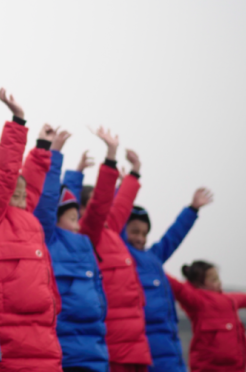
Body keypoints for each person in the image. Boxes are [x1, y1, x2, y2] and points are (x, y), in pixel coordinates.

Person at [0, 89, 62, 371]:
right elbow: (4, 176)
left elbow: (31, 182)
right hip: (6, 352)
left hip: (45, 347)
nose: (22, 199)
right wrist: (18, 122)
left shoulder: (28, 220)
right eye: (15, 194)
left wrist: (43, 146)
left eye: (23, 196)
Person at [32, 129, 114, 372]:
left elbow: (100, 207)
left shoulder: (85, 243)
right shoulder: (48, 240)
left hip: (96, 355)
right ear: (55, 220)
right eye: (71, 218)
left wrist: (111, 156)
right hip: (65, 356)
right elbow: (49, 198)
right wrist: (55, 153)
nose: (79, 224)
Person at [72, 131, 152, 372]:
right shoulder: (89, 235)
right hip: (114, 348)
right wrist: (110, 157)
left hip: (137, 346)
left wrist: (135, 171)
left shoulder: (111, 229)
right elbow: (101, 204)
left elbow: (123, 202)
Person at [123, 189, 214, 372]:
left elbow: (172, 238)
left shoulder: (153, 258)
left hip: (171, 353)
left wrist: (192, 209)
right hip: (145, 356)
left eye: (144, 233)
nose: (140, 238)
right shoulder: (123, 258)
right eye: (134, 232)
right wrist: (122, 191)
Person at [168, 262, 246, 372]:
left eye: (218, 278)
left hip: (236, 366)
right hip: (209, 367)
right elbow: (179, 289)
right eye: (214, 280)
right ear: (199, 284)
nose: (219, 282)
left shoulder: (229, 299)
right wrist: (154, 267)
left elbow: (242, 298)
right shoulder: (198, 300)